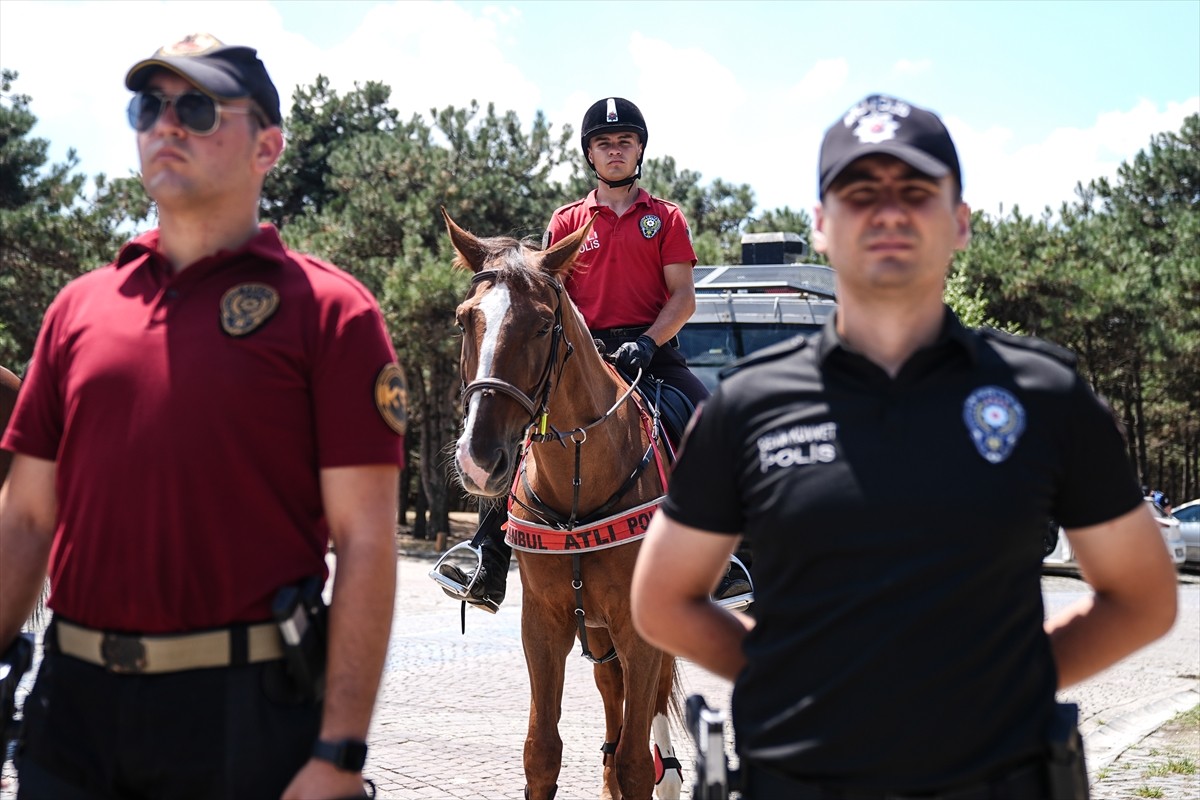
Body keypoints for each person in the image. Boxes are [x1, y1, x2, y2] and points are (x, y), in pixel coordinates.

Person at [630, 93, 1178, 798]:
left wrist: (1007, 683)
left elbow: (1142, 596)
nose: (888, 211)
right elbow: (662, 600)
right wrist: (791, 675)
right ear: (823, 226)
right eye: (860, 192)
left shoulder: (1046, 396)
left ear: (960, 222)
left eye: (916, 191)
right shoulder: (746, 408)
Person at [0, 33, 406, 800]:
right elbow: (23, 521)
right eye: (149, 106)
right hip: (70, 712)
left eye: (197, 106)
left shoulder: (331, 314)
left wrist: (340, 752)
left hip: (244, 717)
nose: (166, 124)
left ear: (268, 146)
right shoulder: (76, 311)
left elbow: (365, 542)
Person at [437, 97, 749, 612]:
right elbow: (549, 301)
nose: (615, 151)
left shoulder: (666, 218)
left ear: (640, 149)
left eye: (625, 142)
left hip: (654, 354)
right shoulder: (567, 221)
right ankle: (487, 556)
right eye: (604, 143)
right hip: (581, 353)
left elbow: (683, 298)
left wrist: (647, 342)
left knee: (710, 424)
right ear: (590, 154)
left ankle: (727, 561)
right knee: (522, 430)